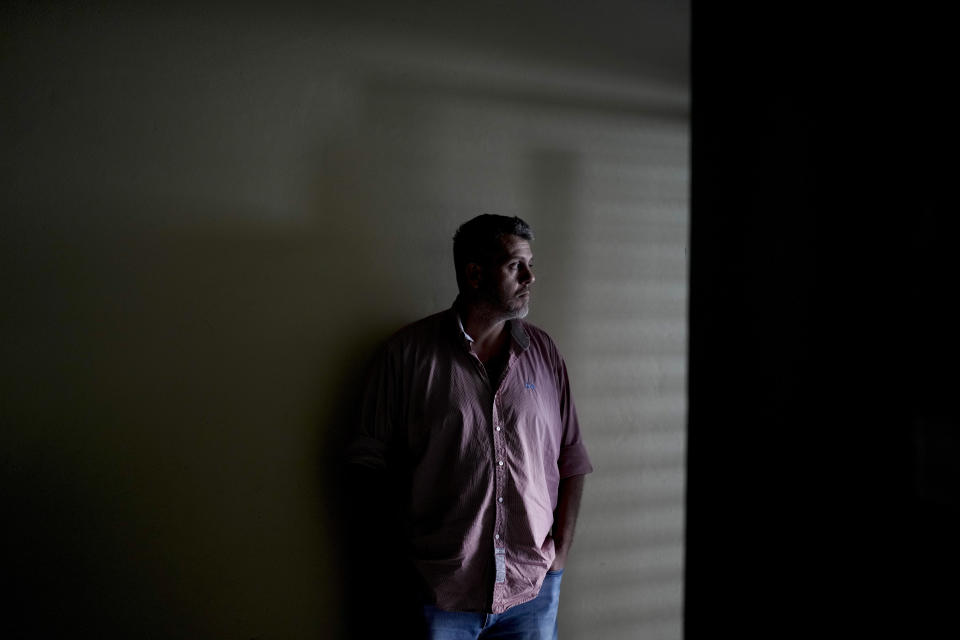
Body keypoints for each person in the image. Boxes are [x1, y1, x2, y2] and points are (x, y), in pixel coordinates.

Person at [347, 214, 592, 639]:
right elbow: (367, 465)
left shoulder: (544, 353)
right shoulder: (407, 356)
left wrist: (561, 555)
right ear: (475, 273)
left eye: (530, 264)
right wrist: (397, 566)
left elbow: (572, 457)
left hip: (531, 593)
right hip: (437, 597)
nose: (531, 276)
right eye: (516, 265)